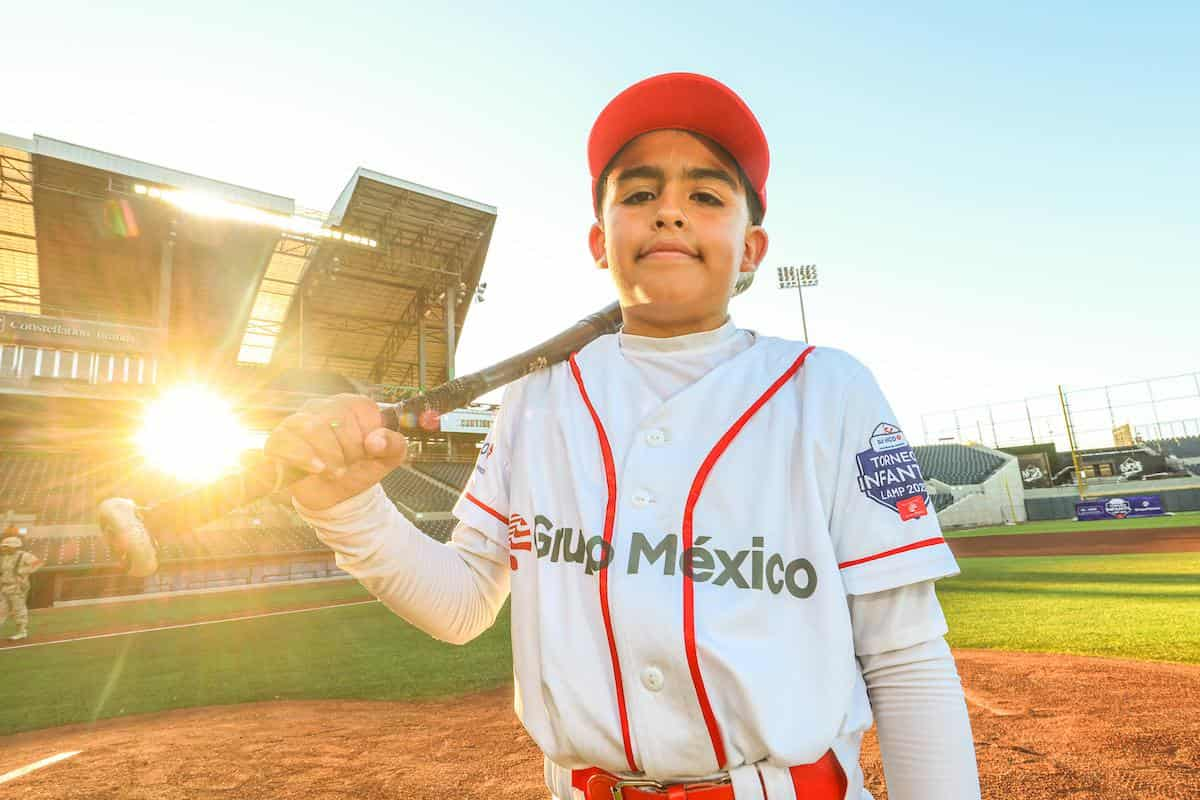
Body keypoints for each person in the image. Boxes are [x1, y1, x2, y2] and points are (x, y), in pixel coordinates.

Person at [268, 73, 981, 800]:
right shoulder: (538, 397)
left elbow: (906, 657)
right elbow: (460, 606)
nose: (670, 211)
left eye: (706, 196)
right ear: (598, 242)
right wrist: (348, 508)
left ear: (752, 249)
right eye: (638, 195)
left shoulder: (828, 389)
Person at [1, 535, 43, 641]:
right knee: (1, 610)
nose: (4, 548)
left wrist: (23, 571)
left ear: (14, 547)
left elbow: (38, 564)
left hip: (17, 587)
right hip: (5, 586)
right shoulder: (4, 557)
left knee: (18, 610)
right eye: (4, 546)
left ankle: (22, 632)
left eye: (6, 546)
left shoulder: (24, 556)